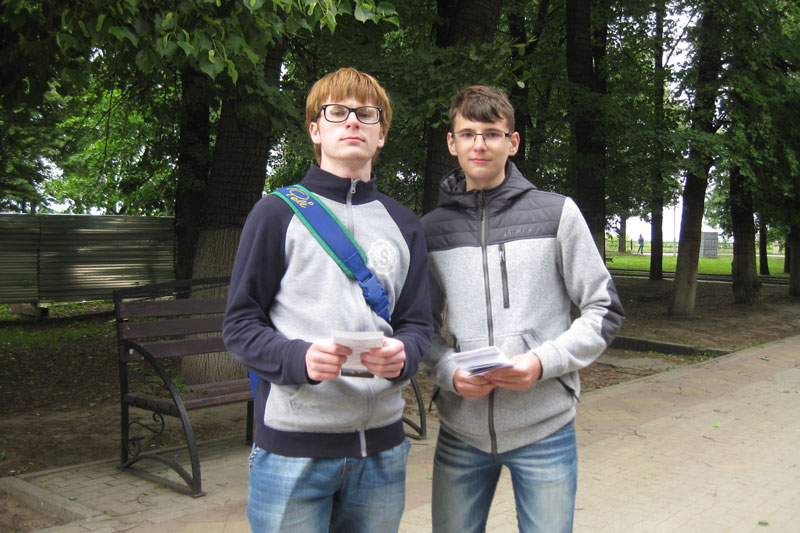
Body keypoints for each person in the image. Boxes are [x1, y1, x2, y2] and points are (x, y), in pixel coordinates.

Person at [223, 67, 433, 532]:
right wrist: (298, 358)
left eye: (367, 113)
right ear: (316, 131)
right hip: (292, 451)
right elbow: (239, 325)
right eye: (337, 112)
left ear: (382, 135)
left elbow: (419, 324)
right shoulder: (275, 213)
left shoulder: (405, 224)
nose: (353, 121)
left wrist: (404, 354)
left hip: (382, 450)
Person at [421, 85, 625, 532]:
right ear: (452, 143)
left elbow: (603, 308)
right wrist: (449, 371)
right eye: (468, 134)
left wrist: (542, 361)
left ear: (512, 142)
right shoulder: (430, 231)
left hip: (544, 426)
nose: (479, 144)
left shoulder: (557, 214)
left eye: (492, 134)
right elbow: (420, 329)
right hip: (462, 430)